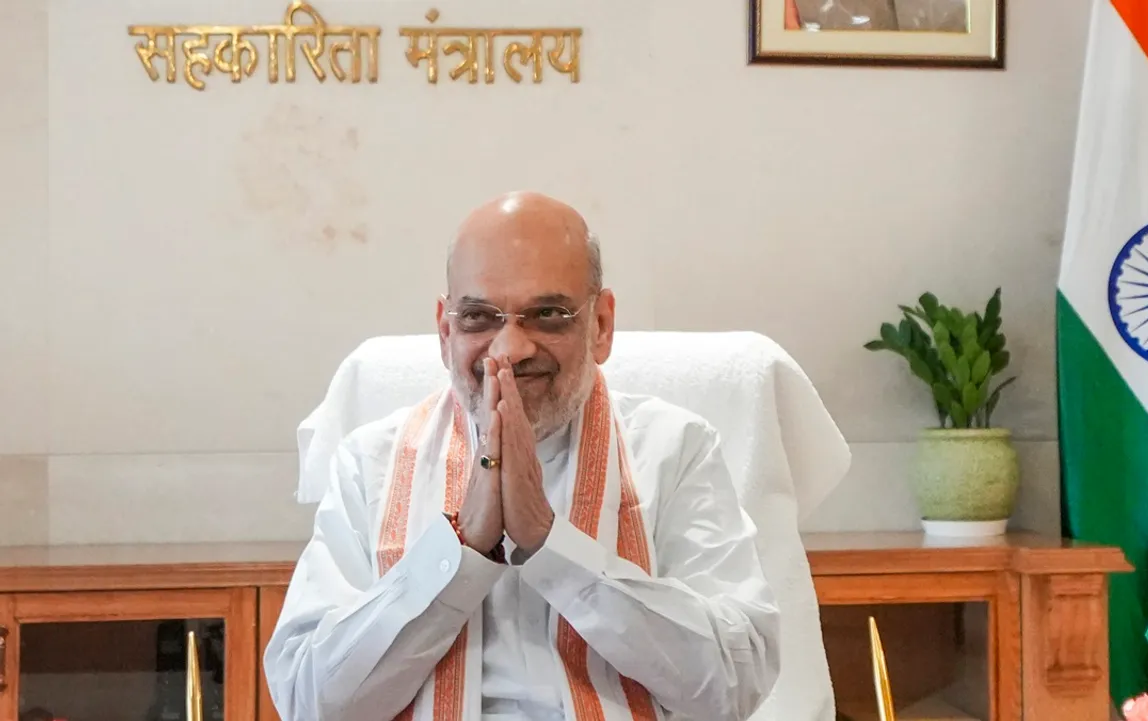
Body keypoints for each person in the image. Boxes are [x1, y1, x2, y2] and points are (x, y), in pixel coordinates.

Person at [263, 191, 781, 721]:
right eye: (479, 318)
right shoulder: (369, 461)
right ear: (445, 332)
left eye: (548, 314)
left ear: (600, 325)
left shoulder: (675, 447)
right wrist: (461, 549)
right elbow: (310, 703)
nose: (508, 350)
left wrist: (550, 543)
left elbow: (733, 687)